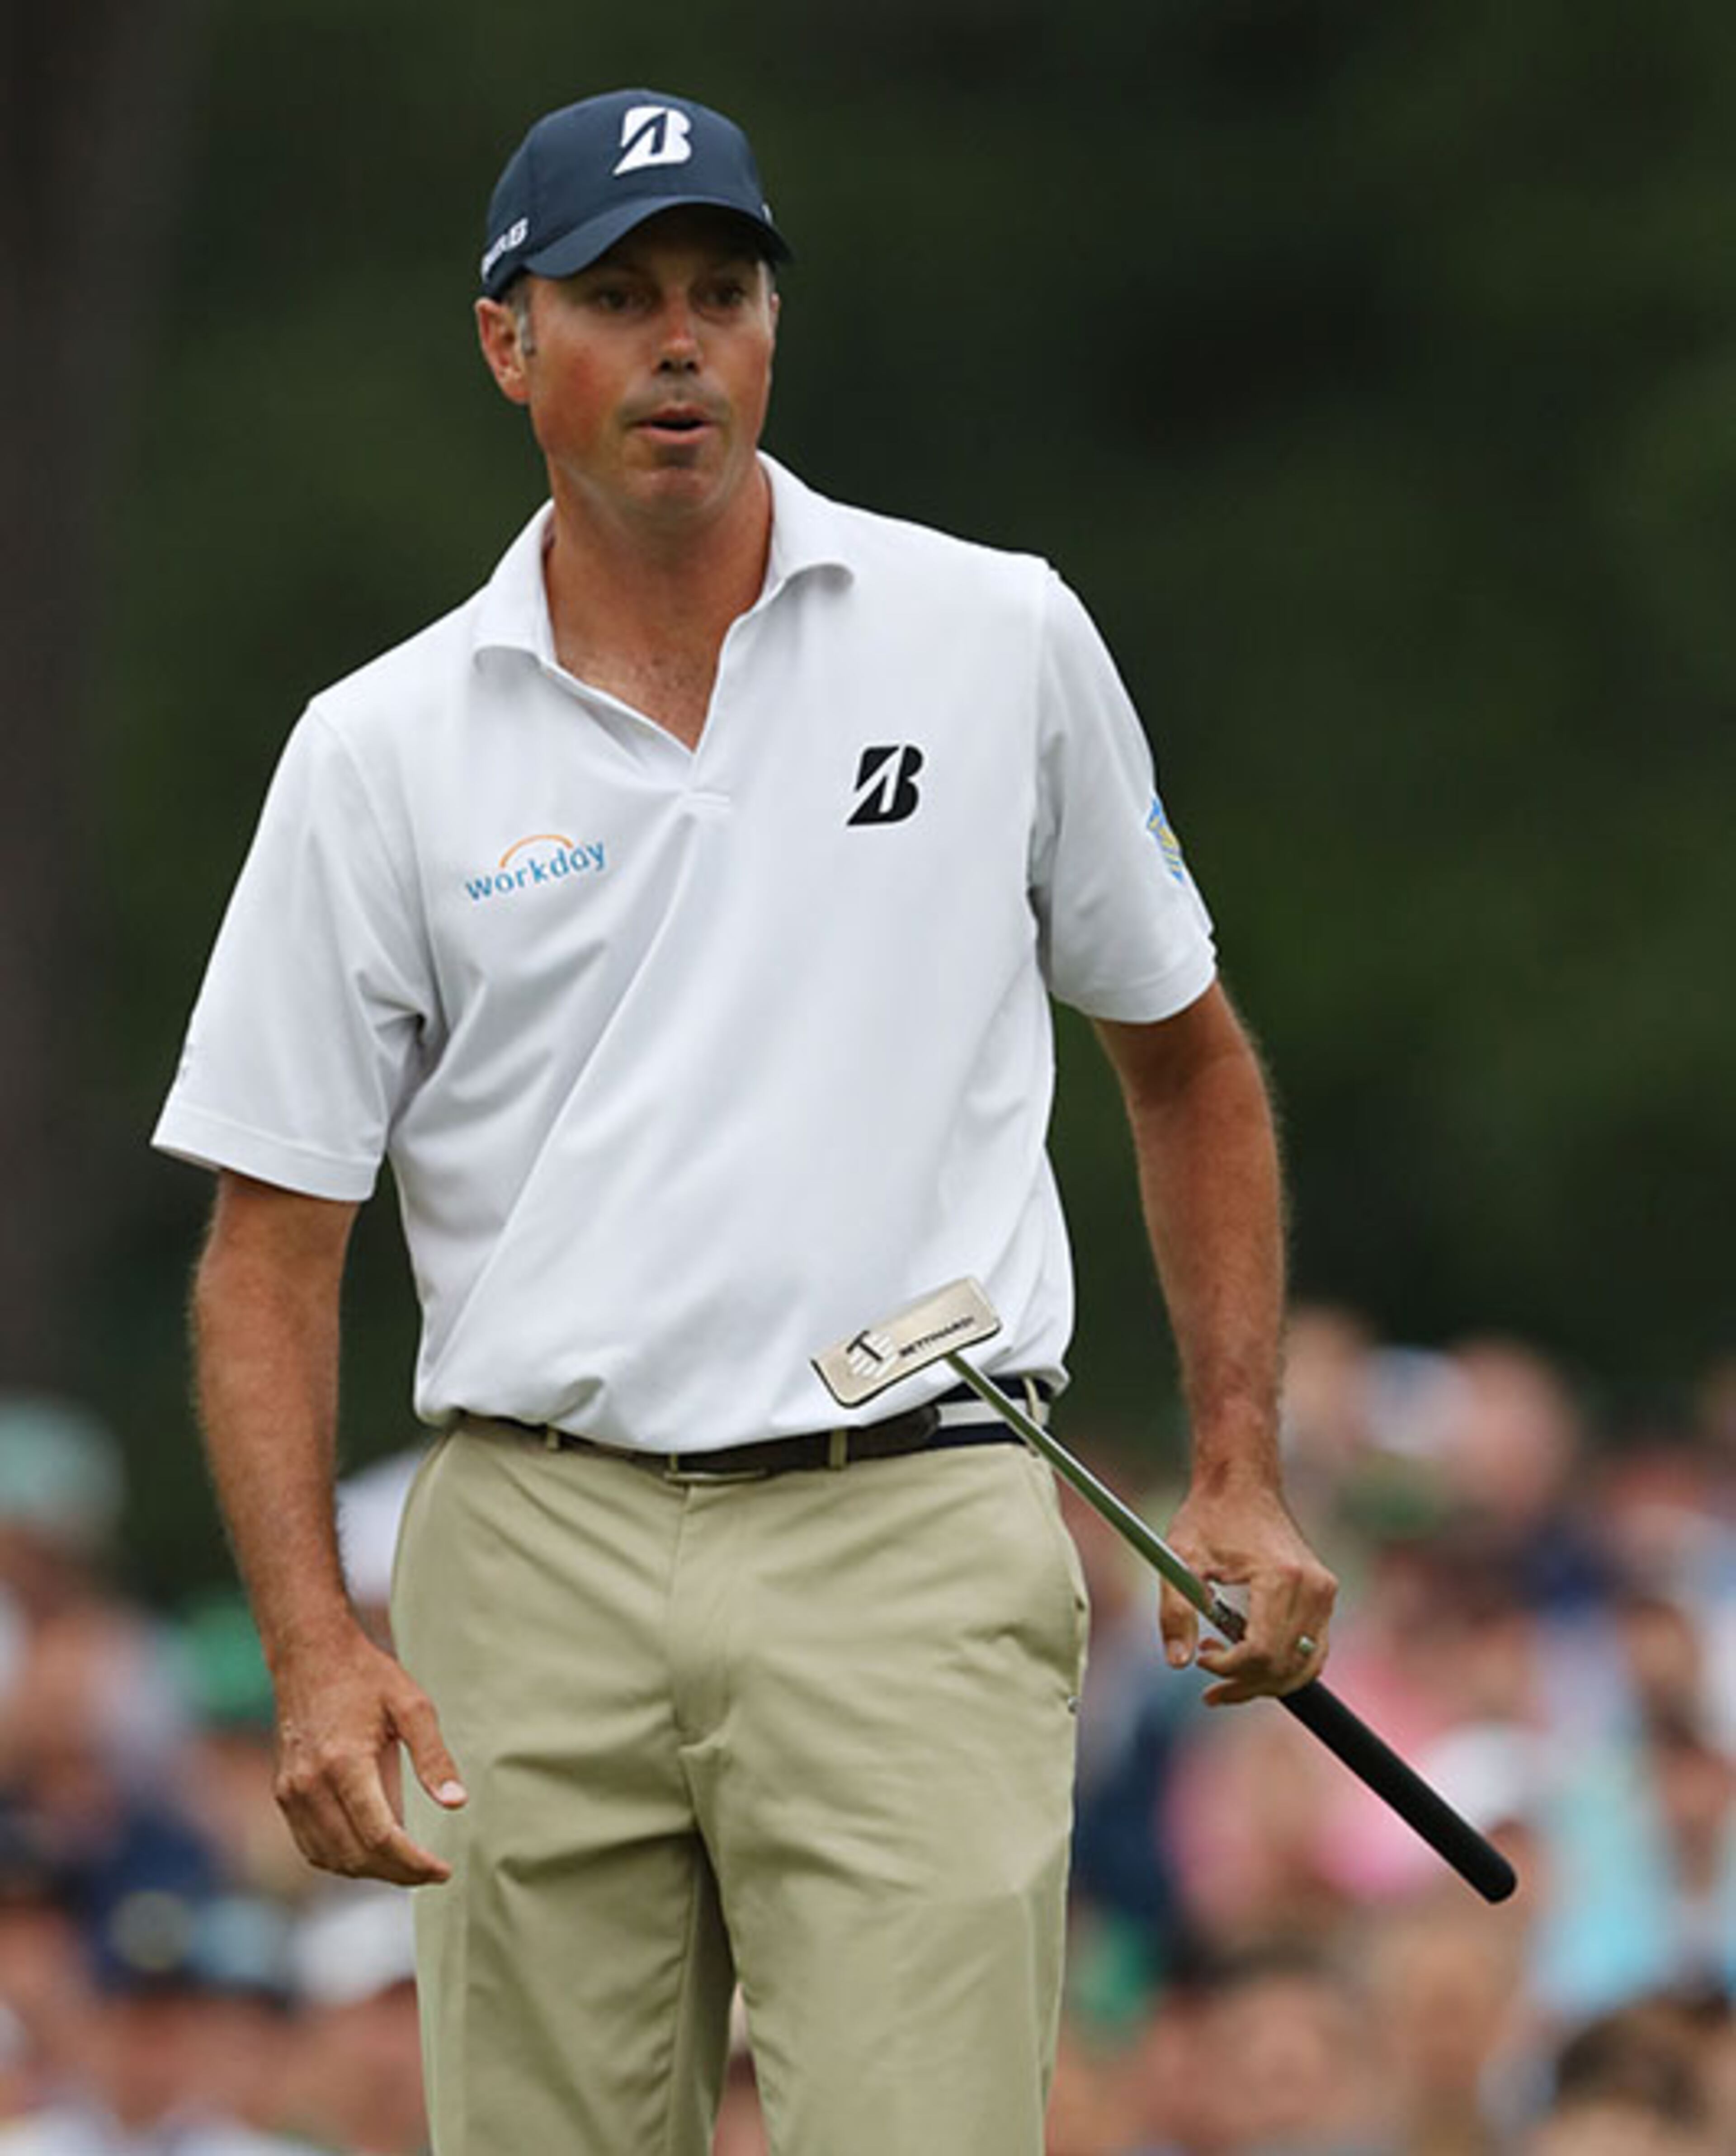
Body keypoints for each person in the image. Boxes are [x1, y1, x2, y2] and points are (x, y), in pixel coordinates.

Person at [153, 86, 1336, 2156]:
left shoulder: (996, 636)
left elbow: (1186, 1052)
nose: (680, 341)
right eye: (617, 297)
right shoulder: (382, 747)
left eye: (723, 291)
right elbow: (273, 1239)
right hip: (532, 1533)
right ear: (511, 343)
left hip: (912, 1509)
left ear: (775, 333)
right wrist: (314, 1646)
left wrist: (1235, 1458)